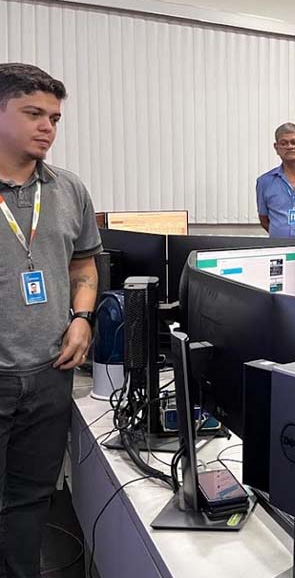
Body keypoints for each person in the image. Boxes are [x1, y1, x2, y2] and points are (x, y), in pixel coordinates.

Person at [0, 63, 101, 577]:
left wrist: (82, 317)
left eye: (55, 118)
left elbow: (84, 262)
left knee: (30, 499)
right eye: (33, 113)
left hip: (49, 372)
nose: (48, 128)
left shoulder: (68, 189)